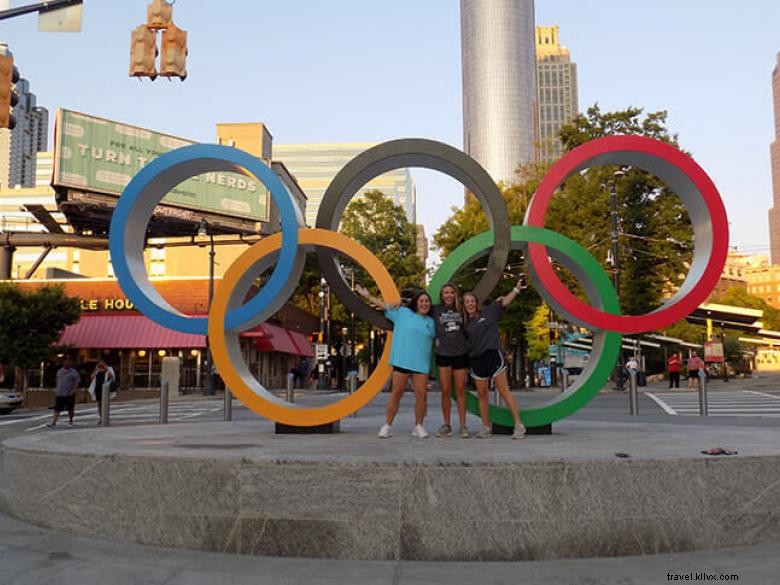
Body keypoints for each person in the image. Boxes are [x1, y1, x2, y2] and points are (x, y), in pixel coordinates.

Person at [356, 285, 436, 439]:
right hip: (402, 360)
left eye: (427, 301)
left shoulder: (432, 322)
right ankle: (387, 425)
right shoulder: (403, 313)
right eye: (421, 301)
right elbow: (382, 305)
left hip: (421, 364)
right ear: (416, 303)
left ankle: (418, 426)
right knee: (396, 394)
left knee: (422, 395)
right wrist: (367, 295)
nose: (424, 304)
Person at [463, 277, 527, 440]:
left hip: (493, 356)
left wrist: (517, 288)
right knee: (482, 395)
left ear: (476, 303)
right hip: (476, 360)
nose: (470, 304)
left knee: (504, 391)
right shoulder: (465, 324)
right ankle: (485, 427)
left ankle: (519, 425)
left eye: (472, 301)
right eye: (466, 302)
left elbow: (505, 301)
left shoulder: (489, 311)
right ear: (463, 306)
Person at [431, 282, 470, 438]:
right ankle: (447, 425)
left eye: (451, 292)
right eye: (445, 292)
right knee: (446, 390)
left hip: (460, 353)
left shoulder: (462, 309)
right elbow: (418, 310)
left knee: (460, 390)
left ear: (455, 294)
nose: (448, 295)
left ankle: (463, 426)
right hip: (443, 354)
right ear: (442, 295)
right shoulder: (436, 310)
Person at [47, 357, 81, 428]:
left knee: (70, 408)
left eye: (68, 363)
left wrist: (73, 390)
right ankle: (54, 422)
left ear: (70, 364)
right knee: (57, 408)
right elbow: (57, 380)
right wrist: (57, 389)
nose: (66, 364)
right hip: (60, 393)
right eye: (65, 363)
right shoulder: (59, 371)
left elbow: (77, 382)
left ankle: (70, 420)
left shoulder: (74, 372)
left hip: (69, 393)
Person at [88, 359, 116, 426]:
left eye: (102, 363)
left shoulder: (108, 369)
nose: (101, 364)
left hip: (105, 389)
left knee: (104, 404)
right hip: (97, 388)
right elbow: (91, 377)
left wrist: (107, 368)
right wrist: (96, 369)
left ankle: (105, 417)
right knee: (99, 404)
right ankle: (101, 417)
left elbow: (112, 377)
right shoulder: (97, 370)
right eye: (99, 363)